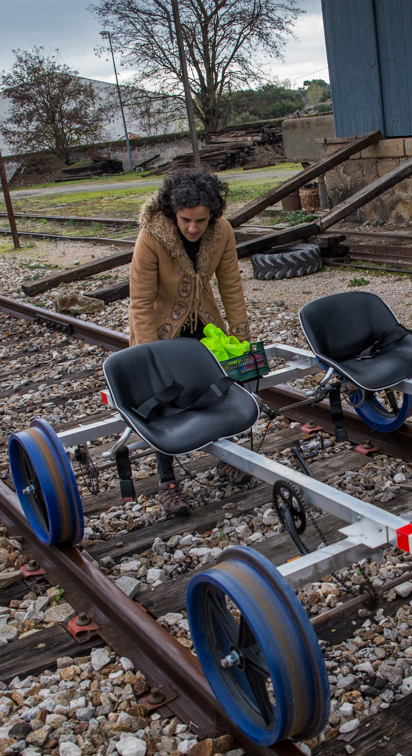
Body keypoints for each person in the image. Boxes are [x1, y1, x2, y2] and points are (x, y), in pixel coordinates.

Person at [130, 168, 254, 516]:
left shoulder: (223, 231)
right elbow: (140, 301)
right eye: (186, 220)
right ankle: (167, 480)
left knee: (215, 388)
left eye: (201, 220)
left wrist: (240, 332)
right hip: (160, 330)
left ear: (213, 215)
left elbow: (231, 284)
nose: (193, 228)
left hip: (205, 325)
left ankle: (225, 457)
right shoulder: (151, 237)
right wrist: (149, 354)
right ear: (173, 212)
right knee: (161, 401)